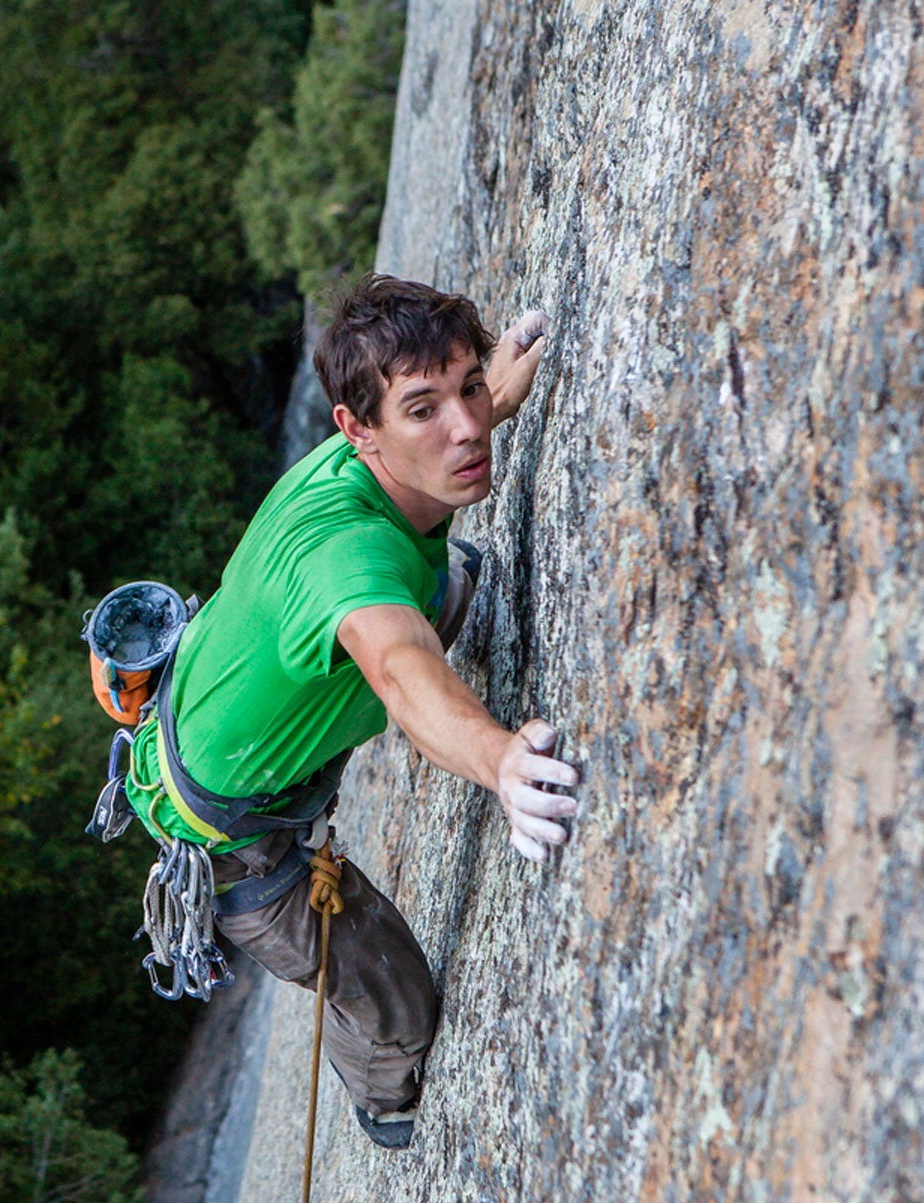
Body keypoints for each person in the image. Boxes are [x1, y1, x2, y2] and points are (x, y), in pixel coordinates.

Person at [120, 274, 582, 1149]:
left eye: (469, 389)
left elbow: (444, 436)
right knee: (399, 1007)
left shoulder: (372, 460)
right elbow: (402, 671)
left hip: (227, 714)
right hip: (233, 841)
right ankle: (381, 1099)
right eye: (425, 409)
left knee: (448, 581)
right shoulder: (346, 554)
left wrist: (501, 392)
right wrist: (500, 762)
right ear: (356, 430)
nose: (467, 427)